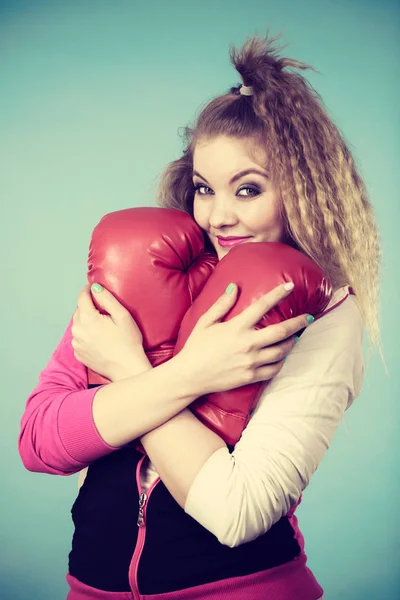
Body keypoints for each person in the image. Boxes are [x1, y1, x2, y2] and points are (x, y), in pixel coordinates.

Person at [18, 32, 383, 600]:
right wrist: (190, 376)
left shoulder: (322, 312)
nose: (219, 216)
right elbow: (39, 441)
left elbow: (237, 511)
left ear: (304, 194)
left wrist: (130, 370)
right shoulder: (141, 271)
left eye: (249, 190)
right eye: (204, 189)